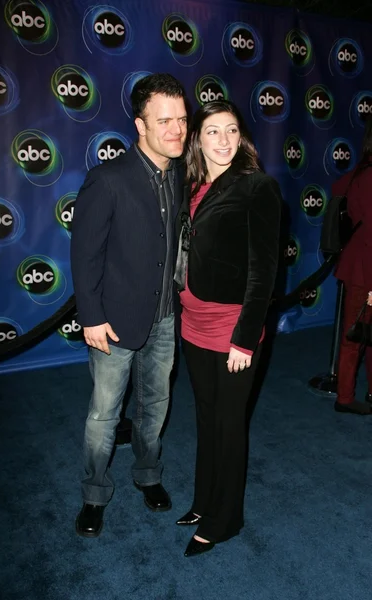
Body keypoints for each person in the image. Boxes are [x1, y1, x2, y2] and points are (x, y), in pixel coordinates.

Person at [70, 73, 188, 538]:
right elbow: (85, 254)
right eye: (165, 121)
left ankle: (148, 474)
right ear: (140, 125)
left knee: (156, 406)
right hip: (112, 324)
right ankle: (94, 494)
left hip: (163, 319)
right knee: (104, 414)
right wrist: (92, 317)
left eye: (181, 119)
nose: (177, 130)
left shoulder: (179, 173)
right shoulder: (108, 178)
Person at [173, 100, 282, 557]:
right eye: (213, 131)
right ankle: (204, 500)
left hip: (231, 328)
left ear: (242, 138)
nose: (223, 141)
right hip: (193, 323)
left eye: (231, 131)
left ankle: (225, 519)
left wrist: (245, 337)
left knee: (229, 424)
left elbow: (264, 270)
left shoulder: (257, 187)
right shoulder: (195, 185)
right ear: (198, 139)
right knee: (206, 416)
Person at [332, 115, 372, 416]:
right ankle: (345, 397)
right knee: (355, 334)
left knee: (359, 333)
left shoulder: (360, 171)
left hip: (358, 263)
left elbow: (338, 189)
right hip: (364, 268)